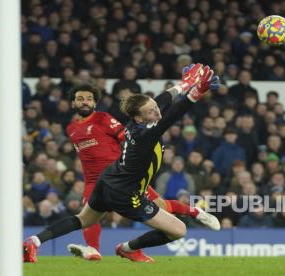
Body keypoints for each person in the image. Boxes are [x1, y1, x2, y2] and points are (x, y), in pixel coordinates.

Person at [23, 63, 220, 263]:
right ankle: (127, 248)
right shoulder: (147, 133)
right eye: (151, 111)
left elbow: (161, 102)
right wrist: (198, 91)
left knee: (82, 220)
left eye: (154, 108)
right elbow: (173, 114)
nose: (157, 112)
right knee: (179, 230)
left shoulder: (135, 123)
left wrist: (184, 84)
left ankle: (33, 242)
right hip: (126, 193)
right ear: (139, 117)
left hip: (107, 180)